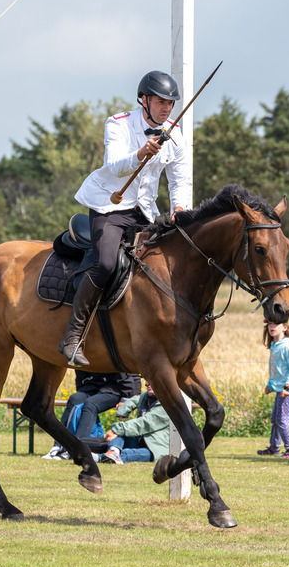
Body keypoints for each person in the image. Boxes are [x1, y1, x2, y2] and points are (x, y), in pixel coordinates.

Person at [58, 70, 192, 367]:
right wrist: (140, 152)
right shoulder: (117, 124)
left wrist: (180, 207)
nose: (166, 107)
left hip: (144, 211)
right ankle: (73, 335)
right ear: (143, 100)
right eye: (160, 101)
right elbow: (115, 166)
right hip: (109, 206)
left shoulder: (176, 134)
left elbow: (180, 180)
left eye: (170, 103)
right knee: (106, 262)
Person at [42, 371, 140, 460]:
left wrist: (126, 397)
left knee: (91, 404)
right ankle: (58, 446)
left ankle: (77, 448)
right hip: (93, 387)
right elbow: (80, 371)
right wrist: (81, 388)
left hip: (117, 389)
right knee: (74, 399)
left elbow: (127, 372)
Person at [98, 381, 171, 464]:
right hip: (140, 440)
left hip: (155, 447)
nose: (147, 384)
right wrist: (124, 409)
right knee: (116, 426)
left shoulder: (167, 404)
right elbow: (136, 399)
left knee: (127, 452)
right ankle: (114, 451)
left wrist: (117, 430)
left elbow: (145, 423)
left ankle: (97, 458)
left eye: (152, 380)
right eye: (147, 380)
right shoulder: (146, 395)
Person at [257, 320, 289, 458]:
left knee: (283, 420)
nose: (271, 327)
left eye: (275, 324)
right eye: (270, 325)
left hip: (287, 391)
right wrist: (270, 384)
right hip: (279, 390)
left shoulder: (287, 346)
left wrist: (287, 387)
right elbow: (275, 369)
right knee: (275, 419)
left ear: (285, 327)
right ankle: (274, 447)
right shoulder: (275, 345)